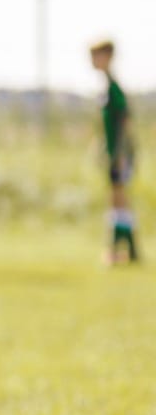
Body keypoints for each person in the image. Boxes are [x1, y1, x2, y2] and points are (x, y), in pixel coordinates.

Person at [92, 40, 138, 264]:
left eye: (96, 55)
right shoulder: (107, 88)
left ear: (108, 57)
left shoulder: (114, 89)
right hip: (113, 154)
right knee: (117, 200)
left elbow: (125, 124)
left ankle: (119, 250)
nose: (92, 61)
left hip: (120, 155)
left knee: (118, 200)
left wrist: (120, 155)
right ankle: (129, 250)